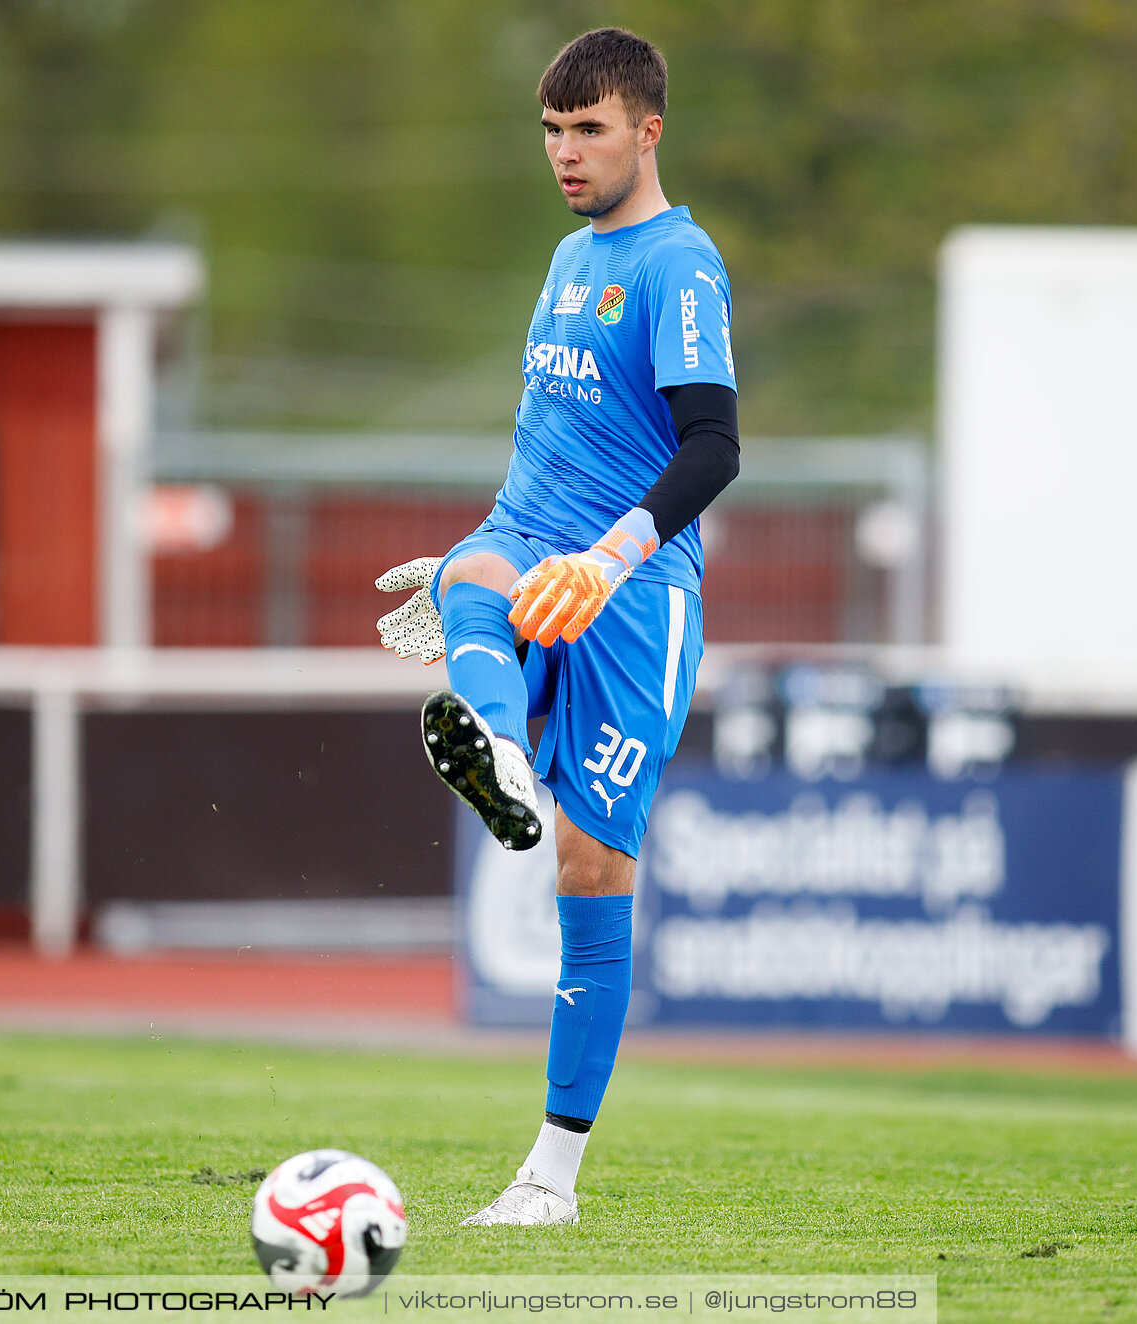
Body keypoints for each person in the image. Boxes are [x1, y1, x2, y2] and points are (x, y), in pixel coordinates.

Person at [376, 27, 741, 1226]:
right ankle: (509, 760)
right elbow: (544, 452)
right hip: (537, 547)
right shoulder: (564, 259)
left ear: (648, 130)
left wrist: (611, 553)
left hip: (635, 595)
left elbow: (713, 446)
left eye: (588, 130)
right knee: (472, 573)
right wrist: (472, 554)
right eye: (551, 131)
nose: (566, 153)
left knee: (594, 869)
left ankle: (552, 1178)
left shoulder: (682, 264)